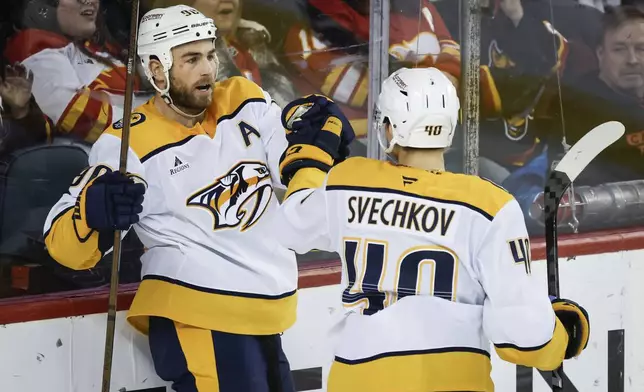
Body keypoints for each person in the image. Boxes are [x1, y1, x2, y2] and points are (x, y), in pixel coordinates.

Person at [272, 67, 590, 391]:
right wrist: (562, 333)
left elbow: (292, 227)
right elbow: (522, 336)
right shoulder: (489, 205)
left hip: (360, 378)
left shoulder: (350, 181)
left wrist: (309, 162)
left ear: (387, 127)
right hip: (452, 380)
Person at [42, 5, 296, 392]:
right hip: (198, 315)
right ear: (157, 69)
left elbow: (291, 165)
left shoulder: (243, 98)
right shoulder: (128, 141)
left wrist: (315, 136)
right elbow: (62, 243)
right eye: (191, 59)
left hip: (265, 309)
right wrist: (92, 213)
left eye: (210, 55)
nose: (208, 69)